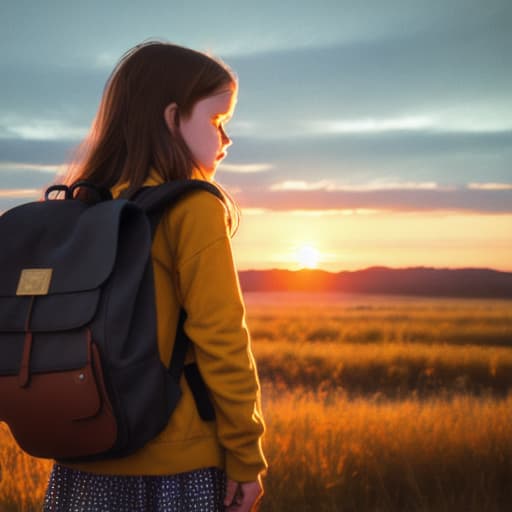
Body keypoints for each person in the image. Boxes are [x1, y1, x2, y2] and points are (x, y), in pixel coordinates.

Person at [43, 40, 267, 512]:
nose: (227, 140)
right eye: (217, 120)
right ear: (171, 118)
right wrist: (246, 456)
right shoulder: (192, 208)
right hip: (175, 462)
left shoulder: (84, 207)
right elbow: (222, 338)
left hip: (82, 455)